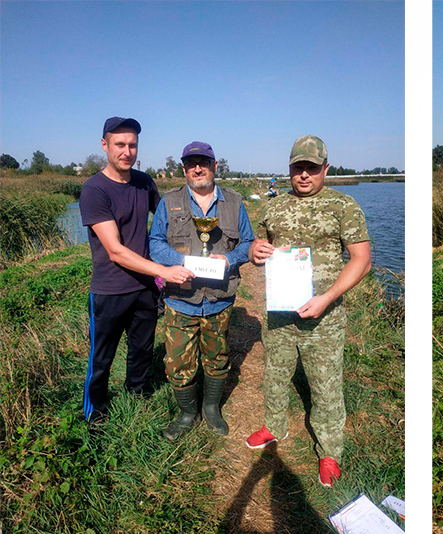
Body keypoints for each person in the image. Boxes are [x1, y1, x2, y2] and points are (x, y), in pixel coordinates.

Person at [245, 135, 371, 488]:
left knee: (326, 384)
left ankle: (329, 451)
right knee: (275, 373)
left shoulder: (344, 206)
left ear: (325, 169)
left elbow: (361, 260)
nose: (304, 175)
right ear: (289, 169)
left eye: (312, 168)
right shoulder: (273, 207)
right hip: (280, 314)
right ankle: (275, 426)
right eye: (298, 168)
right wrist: (256, 251)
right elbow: (259, 247)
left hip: (324, 315)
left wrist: (327, 297)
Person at [79, 117, 194, 423]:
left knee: (142, 349)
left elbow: (170, 220)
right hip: (109, 289)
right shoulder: (94, 189)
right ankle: (95, 415)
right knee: (101, 358)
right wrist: (165, 270)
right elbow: (115, 251)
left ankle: (136, 399)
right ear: (105, 145)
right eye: (120, 144)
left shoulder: (145, 183)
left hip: (144, 288)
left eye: (132, 145)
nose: (127, 151)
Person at [149, 141, 255, 441]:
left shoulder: (234, 203)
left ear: (215, 166)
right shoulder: (169, 201)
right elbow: (154, 242)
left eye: (204, 162)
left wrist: (230, 258)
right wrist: (180, 261)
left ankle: (211, 408)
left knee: (217, 355)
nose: (198, 168)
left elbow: (248, 243)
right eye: (191, 163)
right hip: (181, 298)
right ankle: (186, 412)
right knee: (178, 361)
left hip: (220, 299)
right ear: (184, 169)